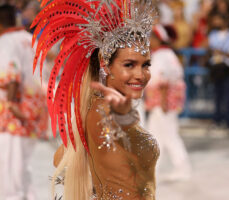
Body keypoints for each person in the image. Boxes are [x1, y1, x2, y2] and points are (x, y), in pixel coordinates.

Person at [32, 0, 159, 200]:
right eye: (129, 64)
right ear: (105, 66)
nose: (141, 74)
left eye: (146, 65)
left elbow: (61, 157)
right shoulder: (104, 112)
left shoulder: (98, 108)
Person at [0, 4, 48, 200]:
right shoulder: (32, 41)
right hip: (34, 115)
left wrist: (10, 107)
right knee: (23, 171)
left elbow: (11, 77)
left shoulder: (6, 42)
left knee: (9, 178)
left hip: (13, 117)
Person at [145, 24, 191, 181]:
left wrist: (163, 102)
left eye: (151, 37)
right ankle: (153, 169)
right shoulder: (164, 54)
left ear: (159, 39)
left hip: (163, 102)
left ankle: (183, 168)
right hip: (160, 102)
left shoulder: (163, 55)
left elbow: (163, 81)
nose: (149, 40)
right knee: (155, 135)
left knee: (170, 135)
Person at [206, 13, 229, 134]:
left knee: (227, 96)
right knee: (217, 95)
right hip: (216, 68)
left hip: (227, 68)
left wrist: (222, 53)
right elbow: (210, 51)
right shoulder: (212, 35)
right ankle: (217, 120)